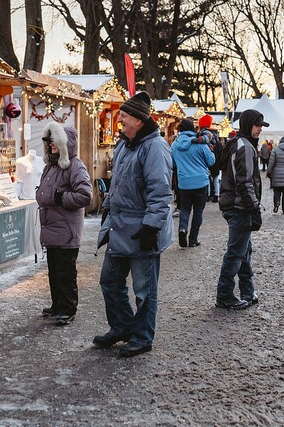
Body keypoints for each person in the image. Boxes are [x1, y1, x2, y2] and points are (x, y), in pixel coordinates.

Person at [95, 92, 173, 358]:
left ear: (139, 120)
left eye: (125, 116)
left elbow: (160, 191)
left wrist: (151, 227)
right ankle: (122, 327)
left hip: (141, 230)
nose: (121, 121)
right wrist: (107, 209)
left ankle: (142, 337)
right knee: (110, 282)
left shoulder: (155, 147)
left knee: (144, 289)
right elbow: (117, 183)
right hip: (119, 227)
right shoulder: (124, 144)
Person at [37, 122, 93, 325]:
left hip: (66, 229)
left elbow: (86, 196)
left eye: (55, 141)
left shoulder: (75, 166)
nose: (51, 145)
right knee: (54, 269)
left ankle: (68, 308)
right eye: (49, 141)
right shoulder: (50, 166)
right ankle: (57, 304)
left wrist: (61, 197)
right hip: (52, 227)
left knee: (65, 271)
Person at [216, 109, 267, 309]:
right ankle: (225, 295)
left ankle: (247, 291)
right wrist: (254, 208)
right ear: (248, 125)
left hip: (234, 204)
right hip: (239, 206)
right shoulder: (245, 147)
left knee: (244, 250)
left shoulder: (236, 143)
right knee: (236, 252)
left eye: (261, 125)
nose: (260, 129)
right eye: (257, 125)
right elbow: (245, 182)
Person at [171, 118, 215, 247]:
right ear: (192, 128)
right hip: (201, 182)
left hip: (183, 182)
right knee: (198, 211)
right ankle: (193, 239)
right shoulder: (200, 142)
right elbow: (211, 161)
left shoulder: (175, 144)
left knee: (184, 208)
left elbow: (172, 163)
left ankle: (182, 229)